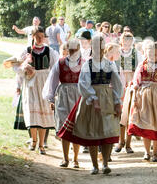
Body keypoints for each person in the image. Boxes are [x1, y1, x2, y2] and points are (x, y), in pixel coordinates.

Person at [58, 35, 123, 175]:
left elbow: (117, 84)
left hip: (107, 98)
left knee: (108, 130)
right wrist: (93, 98)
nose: (98, 48)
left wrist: (118, 102)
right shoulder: (87, 64)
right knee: (93, 131)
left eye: (100, 45)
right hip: (92, 100)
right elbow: (83, 84)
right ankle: (95, 165)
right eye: (95, 45)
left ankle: (105, 163)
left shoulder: (110, 64)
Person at [128, 41, 157, 162]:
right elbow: (136, 83)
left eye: (155, 53)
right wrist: (135, 97)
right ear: (145, 53)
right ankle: (147, 152)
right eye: (150, 53)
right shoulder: (142, 66)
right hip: (144, 97)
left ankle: (155, 153)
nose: (152, 55)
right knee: (146, 123)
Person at [18, 26, 59, 154]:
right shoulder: (27, 50)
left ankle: (41, 144)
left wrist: (54, 87)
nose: (40, 39)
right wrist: (25, 67)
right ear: (33, 36)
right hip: (31, 83)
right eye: (37, 36)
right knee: (32, 110)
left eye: (42, 36)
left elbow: (55, 68)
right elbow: (17, 65)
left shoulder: (49, 51)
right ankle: (33, 140)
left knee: (43, 113)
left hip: (44, 82)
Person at [43, 39, 82, 168]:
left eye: (75, 50)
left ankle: (75, 159)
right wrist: (51, 98)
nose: (73, 52)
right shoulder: (60, 64)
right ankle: (65, 158)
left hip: (78, 95)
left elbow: (88, 82)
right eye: (71, 50)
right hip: (63, 95)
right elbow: (53, 81)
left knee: (77, 127)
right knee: (64, 126)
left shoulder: (84, 64)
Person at [115, 32, 138, 154]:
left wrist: (133, 83)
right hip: (119, 83)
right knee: (120, 114)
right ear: (122, 41)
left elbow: (138, 70)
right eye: (125, 39)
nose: (127, 42)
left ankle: (128, 143)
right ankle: (120, 141)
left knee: (130, 114)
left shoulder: (136, 53)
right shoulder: (118, 52)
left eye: (129, 40)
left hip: (131, 83)